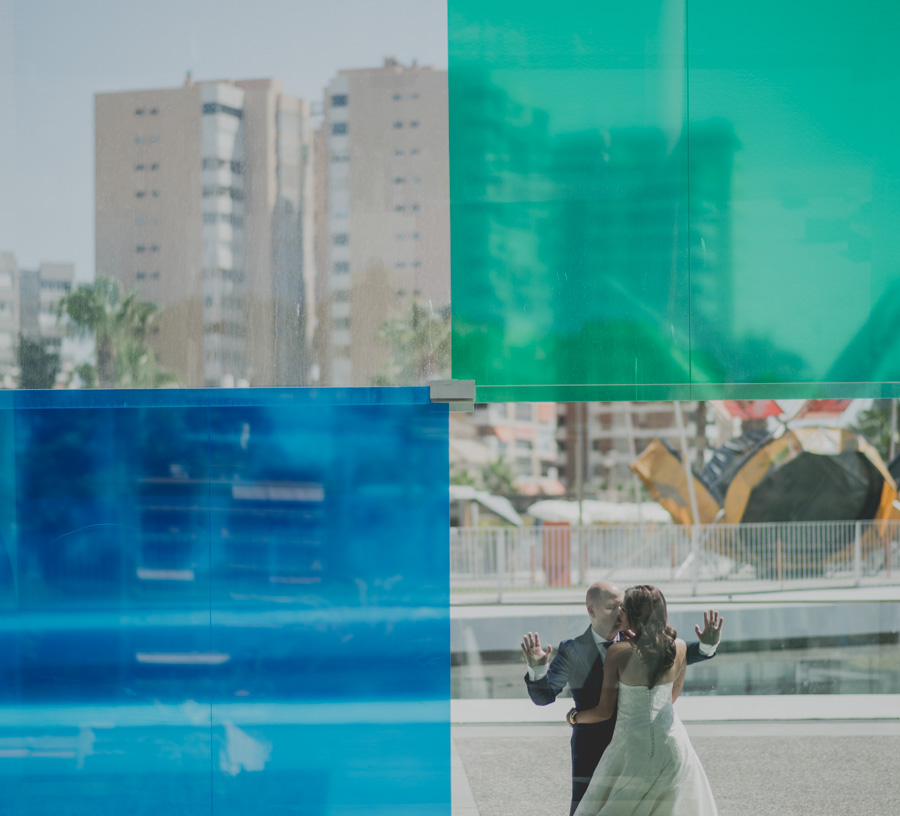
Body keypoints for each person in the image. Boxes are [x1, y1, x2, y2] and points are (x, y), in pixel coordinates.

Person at [521, 581, 722, 815]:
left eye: (622, 606)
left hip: (640, 749)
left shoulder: (639, 642)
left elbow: (680, 652)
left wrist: (708, 646)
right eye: (611, 607)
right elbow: (544, 696)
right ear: (591, 611)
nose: (620, 612)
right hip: (592, 750)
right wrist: (538, 671)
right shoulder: (572, 650)